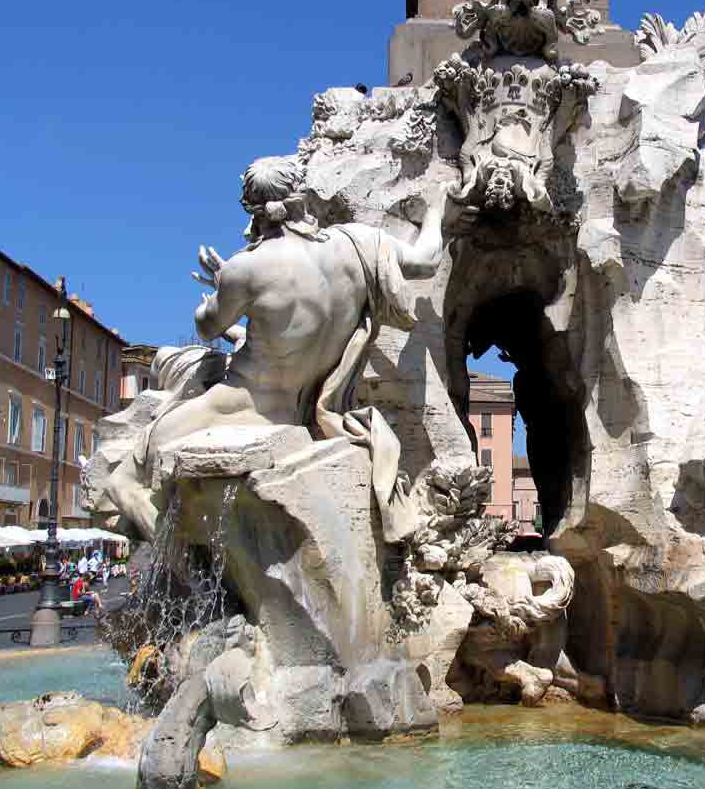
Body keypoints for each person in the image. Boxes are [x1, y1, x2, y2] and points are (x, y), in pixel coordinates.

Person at [103, 158, 473, 542]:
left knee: (122, 482)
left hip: (242, 407)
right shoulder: (360, 244)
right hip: (310, 411)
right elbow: (426, 260)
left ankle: (181, 567)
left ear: (251, 211)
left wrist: (223, 282)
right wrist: (435, 213)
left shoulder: (244, 269)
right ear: (301, 197)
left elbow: (206, 324)